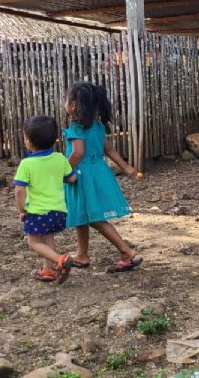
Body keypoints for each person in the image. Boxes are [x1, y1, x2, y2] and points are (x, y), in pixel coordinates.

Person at [63, 81, 143, 272]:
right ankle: (82, 255)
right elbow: (108, 149)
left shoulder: (77, 128)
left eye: (66, 100)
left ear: (73, 105)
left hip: (81, 175)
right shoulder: (97, 126)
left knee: (94, 218)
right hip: (97, 172)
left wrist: (64, 170)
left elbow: (78, 153)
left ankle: (126, 251)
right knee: (82, 215)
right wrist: (125, 167)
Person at [13, 115, 74, 284]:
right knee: (48, 238)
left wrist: (22, 210)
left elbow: (19, 190)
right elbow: (72, 178)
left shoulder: (27, 164)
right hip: (59, 212)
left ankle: (60, 259)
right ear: (55, 140)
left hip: (38, 211)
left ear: (29, 143)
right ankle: (48, 271)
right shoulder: (60, 158)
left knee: (33, 242)